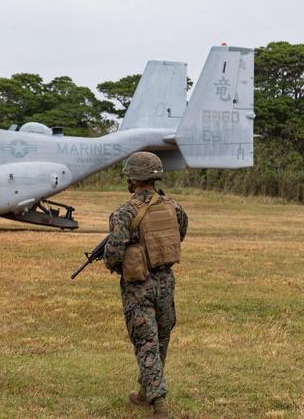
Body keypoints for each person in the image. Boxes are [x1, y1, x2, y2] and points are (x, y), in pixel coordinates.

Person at [103, 151, 188, 418]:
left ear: (133, 178)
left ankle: (158, 403)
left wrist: (118, 264)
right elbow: (180, 234)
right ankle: (144, 392)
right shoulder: (174, 207)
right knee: (160, 339)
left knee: (146, 342)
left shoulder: (124, 212)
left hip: (138, 285)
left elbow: (114, 252)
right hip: (166, 281)